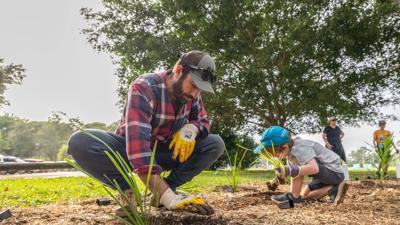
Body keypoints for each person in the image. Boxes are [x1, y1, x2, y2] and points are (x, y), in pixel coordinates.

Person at [67, 50, 225, 215]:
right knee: (81, 141)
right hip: (129, 151)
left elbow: (203, 122)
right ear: (179, 71)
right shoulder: (144, 86)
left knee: (215, 144)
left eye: (200, 89)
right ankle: (128, 191)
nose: (195, 94)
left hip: (166, 151)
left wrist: (191, 128)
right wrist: (170, 199)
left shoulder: (192, 95)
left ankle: (165, 189)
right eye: (193, 85)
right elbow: (138, 150)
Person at [254, 126, 348, 208]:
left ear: (285, 148)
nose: (274, 157)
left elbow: (314, 168)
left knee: (298, 166)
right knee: (303, 195)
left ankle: (336, 187)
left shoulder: (300, 148)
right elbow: (295, 173)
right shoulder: (291, 152)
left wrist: (289, 170)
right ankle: (296, 198)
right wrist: (290, 190)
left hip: (335, 172)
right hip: (326, 174)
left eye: (274, 154)